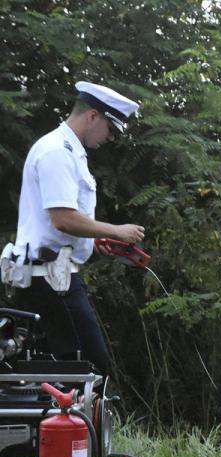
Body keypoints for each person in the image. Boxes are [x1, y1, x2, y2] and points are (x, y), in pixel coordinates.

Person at [6, 81, 145, 374]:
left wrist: (93, 243)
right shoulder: (57, 151)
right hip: (50, 281)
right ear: (93, 116)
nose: (110, 138)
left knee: (56, 368)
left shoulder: (70, 151)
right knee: (90, 367)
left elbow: (56, 226)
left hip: (52, 276)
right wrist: (115, 231)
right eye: (111, 128)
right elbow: (63, 218)